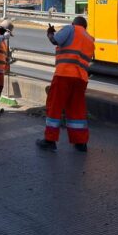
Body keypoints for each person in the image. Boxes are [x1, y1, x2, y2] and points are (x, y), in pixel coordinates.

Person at [36, 16, 95, 152]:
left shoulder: (70, 29)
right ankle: (80, 143)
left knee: (54, 106)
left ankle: (50, 140)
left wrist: (50, 33)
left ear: (74, 23)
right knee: (77, 109)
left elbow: (55, 40)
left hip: (64, 74)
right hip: (81, 79)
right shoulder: (90, 40)